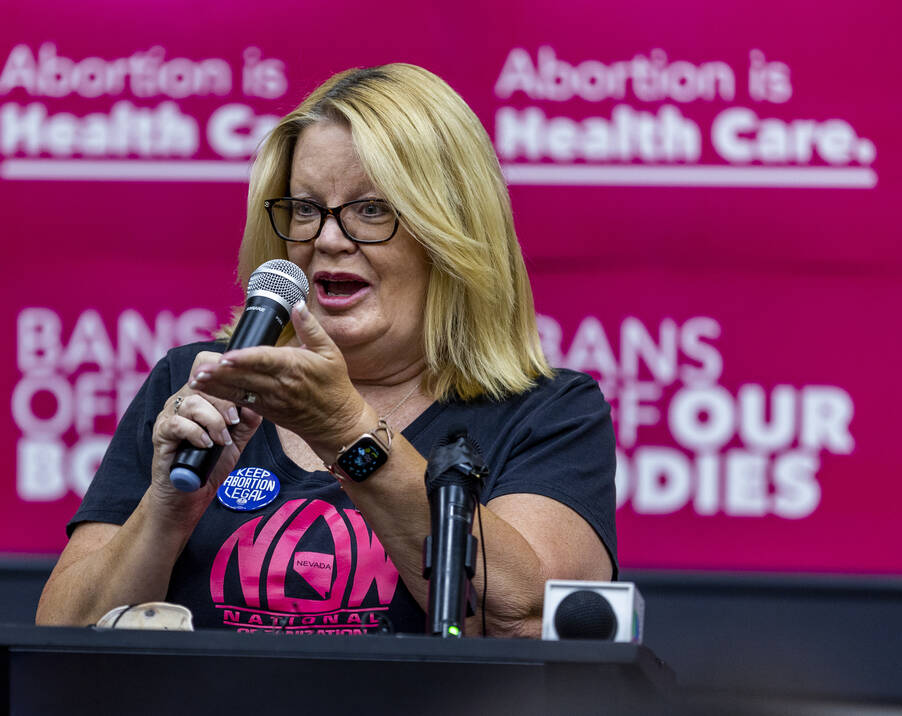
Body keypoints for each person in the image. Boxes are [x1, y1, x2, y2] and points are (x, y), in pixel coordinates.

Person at [36, 63, 616, 637]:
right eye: (307, 209)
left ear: (450, 232)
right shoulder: (198, 383)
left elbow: (523, 618)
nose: (329, 239)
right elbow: (61, 640)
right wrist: (167, 509)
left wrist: (344, 429)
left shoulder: (548, 412)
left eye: (372, 209)